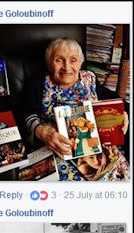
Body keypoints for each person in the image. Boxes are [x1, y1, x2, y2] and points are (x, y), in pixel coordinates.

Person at [21, 37, 129, 171]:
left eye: (73, 60)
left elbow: (110, 98)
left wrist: (122, 111)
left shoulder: (90, 78)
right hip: (58, 149)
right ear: (49, 64)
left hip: (97, 148)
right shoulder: (39, 83)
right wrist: (40, 130)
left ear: (80, 63)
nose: (66, 67)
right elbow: (26, 111)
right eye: (59, 60)